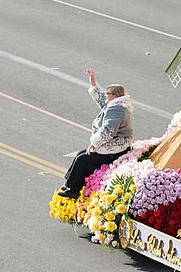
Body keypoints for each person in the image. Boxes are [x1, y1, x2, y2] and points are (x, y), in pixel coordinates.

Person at [57, 70, 133, 198]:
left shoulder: (116, 110)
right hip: (114, 146)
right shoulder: (116, 105)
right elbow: (102, 101)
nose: (105, 95)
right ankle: (70, 183)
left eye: (107, 93)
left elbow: (108, 132)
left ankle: (73, 190)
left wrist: (94, 144)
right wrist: (93, 84)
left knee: (82, 160)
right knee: (80, 154)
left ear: (114, 96)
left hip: (114, 151)